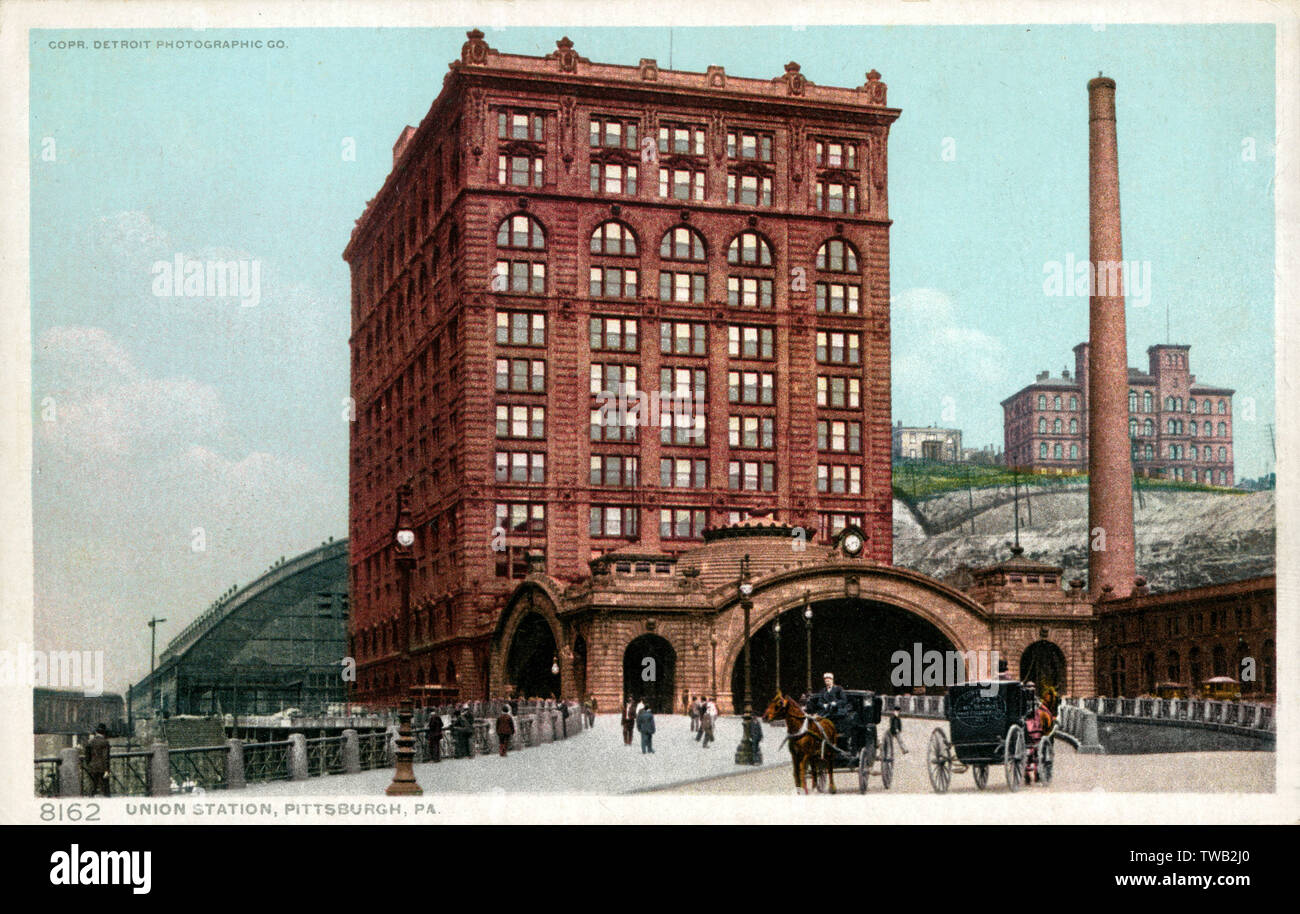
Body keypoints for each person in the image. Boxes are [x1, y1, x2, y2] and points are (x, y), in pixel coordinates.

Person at [85, 723, 111, 797]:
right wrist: (107, 770)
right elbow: (105, 757)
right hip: (102, 768)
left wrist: (88, 765)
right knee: (105, 789)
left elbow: (87, 756)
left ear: (96, 732)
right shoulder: (105, 742)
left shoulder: (90, 742)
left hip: (92, 767)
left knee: (92, 787)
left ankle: (90, 800)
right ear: (104, 733)